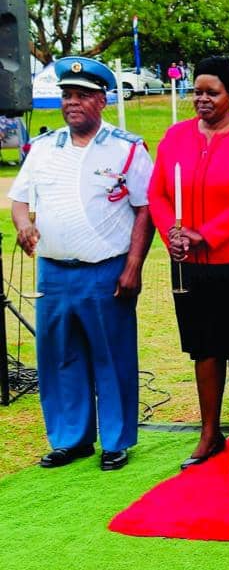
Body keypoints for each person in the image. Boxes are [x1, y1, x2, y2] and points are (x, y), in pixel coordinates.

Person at [8, 56, 154, 471]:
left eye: (82, 96)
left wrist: (134, 266)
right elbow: (21, 199)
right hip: (53, 273)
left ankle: (115, 441)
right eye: (67, 96)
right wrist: (23, 225)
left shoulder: (126, 148)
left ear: (102, 100)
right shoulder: (41, 149)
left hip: (104, 270)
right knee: (59, 357)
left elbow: (145, 210)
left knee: (112, 356)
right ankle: (71, 439)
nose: (72, 103)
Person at [148, 57, 229, 472]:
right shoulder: (174, 138)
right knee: (203, 348)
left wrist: (209, 233)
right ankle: (209, 431)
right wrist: (174, 234)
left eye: (212, 92)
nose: (202, 99)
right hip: (190, 262)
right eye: (197, 91)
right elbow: (158, 194)